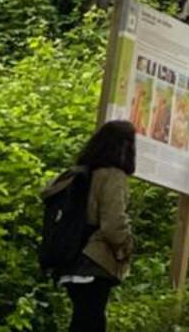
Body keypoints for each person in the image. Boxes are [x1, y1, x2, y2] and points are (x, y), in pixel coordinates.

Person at [45, 119, 136, 331]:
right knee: (91, 321)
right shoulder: (113, 176)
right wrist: (127, 246)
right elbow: (113, 224)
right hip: (94, 261)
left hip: (70, 258)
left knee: (82, 320)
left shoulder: (79, 173)